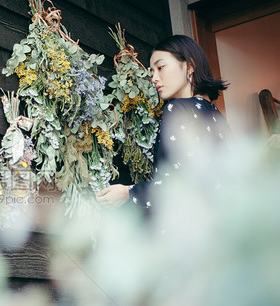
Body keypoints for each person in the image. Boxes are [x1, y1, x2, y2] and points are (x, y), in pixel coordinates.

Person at [96, 35, 230, 210]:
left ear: (189, 66)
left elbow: (178, 185)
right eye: (152, 72)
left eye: (160, 67)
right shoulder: (216, 116)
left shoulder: (177, 109)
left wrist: (129, 192)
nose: (154, 78)